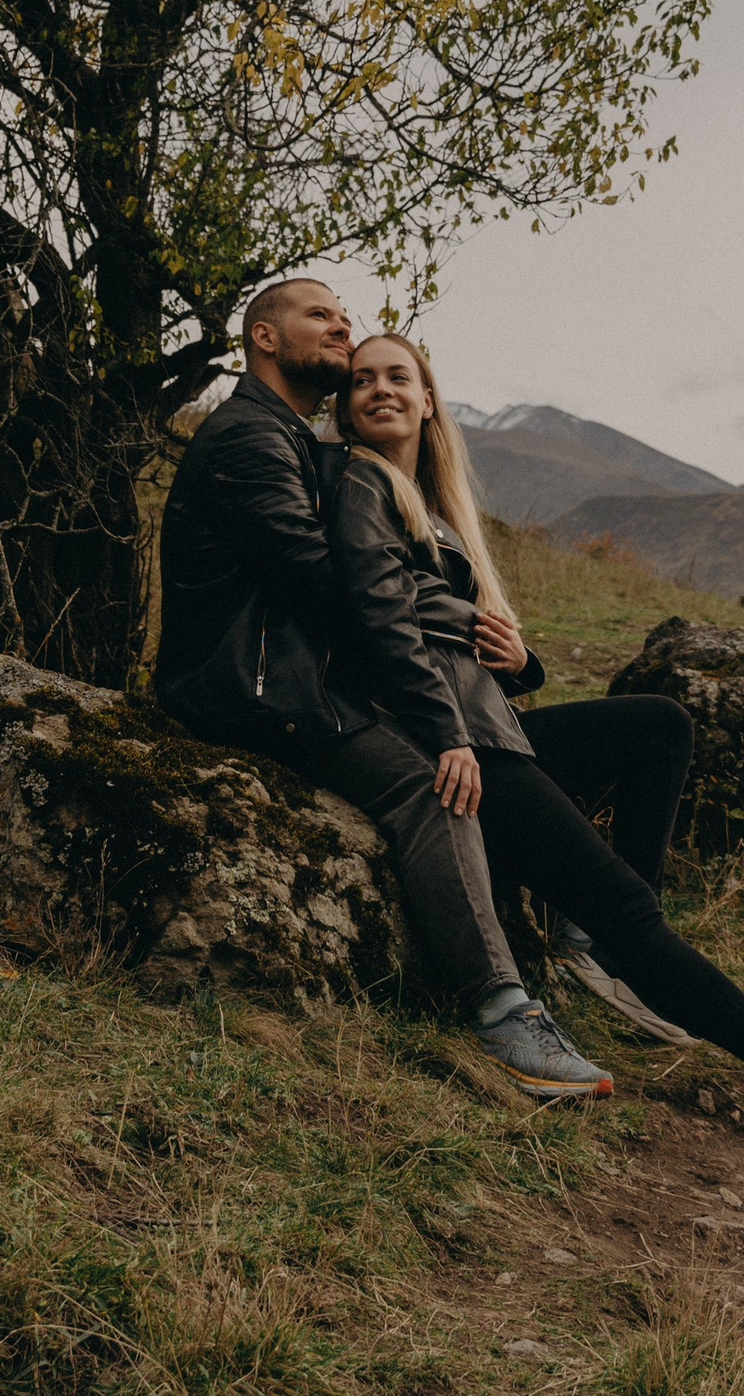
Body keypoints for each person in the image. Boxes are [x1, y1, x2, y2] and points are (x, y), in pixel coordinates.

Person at [332, 328, 744, 1141]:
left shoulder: (437, 508)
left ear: (428, 397)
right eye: (362, 379)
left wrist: (517, 659)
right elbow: (379, 620)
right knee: (625, 901)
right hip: (455, 749)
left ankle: (607, 949)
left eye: (398, 376)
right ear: (342, 406)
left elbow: (460, 642)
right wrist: (452, 709)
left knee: (658, 727)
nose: (381, 388)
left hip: (489, 728)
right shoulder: (358, 486)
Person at [155, 274, 615, 1103]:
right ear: (265, 337)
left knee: (492, 760)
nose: (342, 330)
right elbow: (326, 585)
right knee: (435, 786)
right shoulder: (253, 438)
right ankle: (504, 1013)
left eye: (346, 319)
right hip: (243, 692)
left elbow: (354, 588)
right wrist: (446, 612)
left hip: (286, 680)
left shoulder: (287, 437)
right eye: (321, 317)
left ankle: (570, 926)